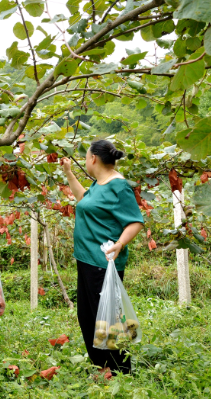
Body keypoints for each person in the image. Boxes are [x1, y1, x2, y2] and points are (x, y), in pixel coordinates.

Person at [60, 140, 144, 376]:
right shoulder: (98, 184)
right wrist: (68, 173)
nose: (86, 161)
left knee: (108, 319)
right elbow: (84, 200)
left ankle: (120, 371)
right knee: (87, 316)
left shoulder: (119, 187)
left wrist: (119, 244)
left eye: (86, 157)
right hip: (86, 260)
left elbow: (135, 221)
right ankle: (102, 367)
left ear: (93, 159)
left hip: (104, 264)